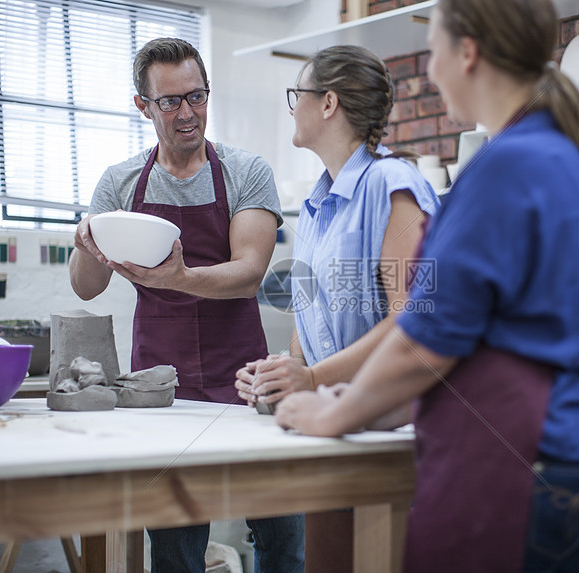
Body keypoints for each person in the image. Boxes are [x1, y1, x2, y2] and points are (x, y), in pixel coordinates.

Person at [274, 2, 579, 572]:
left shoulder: (508, 167)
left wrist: (333, 415)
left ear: (467, 53)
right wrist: (373, 405)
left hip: (517, 455)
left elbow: (426, 335)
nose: (429, 72)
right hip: (569, 448)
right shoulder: (561, 153)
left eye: (435, 51)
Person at [69, 37, 303, 573]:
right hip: (160, 385)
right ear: (143, 106)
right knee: (174, 545)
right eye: (169, 101)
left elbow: (248, 275)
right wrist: (87, 242)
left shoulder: (246, 172)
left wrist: (178, 277)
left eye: (195, 96)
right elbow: (86, 287)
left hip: (242, 377)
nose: (186, 113)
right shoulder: (121, 183)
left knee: (281, 528)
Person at [235, 45, 439, 572]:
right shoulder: (316, 205)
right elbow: (306, 310)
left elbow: (414, 320)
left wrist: (312, 378)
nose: (291, 108)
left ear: (328, 103)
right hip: (330, 426)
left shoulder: (394, 186)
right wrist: (283, 375)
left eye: (296, 95)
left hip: (390, 429)